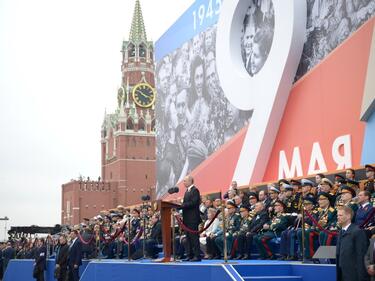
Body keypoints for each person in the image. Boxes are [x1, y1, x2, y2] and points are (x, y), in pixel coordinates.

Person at [336, 205, 369, 281]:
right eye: (337, 215)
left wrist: (361, 277)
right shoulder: (341, 232)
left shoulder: (357, 232)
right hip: (342, 272)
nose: (338, 217)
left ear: (348, 216)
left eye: (340, 215)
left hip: (353, 274)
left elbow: (361, 255)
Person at [180, 175, 202, 261]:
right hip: (187, 218)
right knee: (188, 238)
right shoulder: (187, 191)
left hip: (192, 218)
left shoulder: (195, 190)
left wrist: (182, 205)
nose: (184, 183)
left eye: (185, 181)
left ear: (190, 181)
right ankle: (190, 255)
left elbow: (194, 202)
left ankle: (197, 255)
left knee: (194, 238)